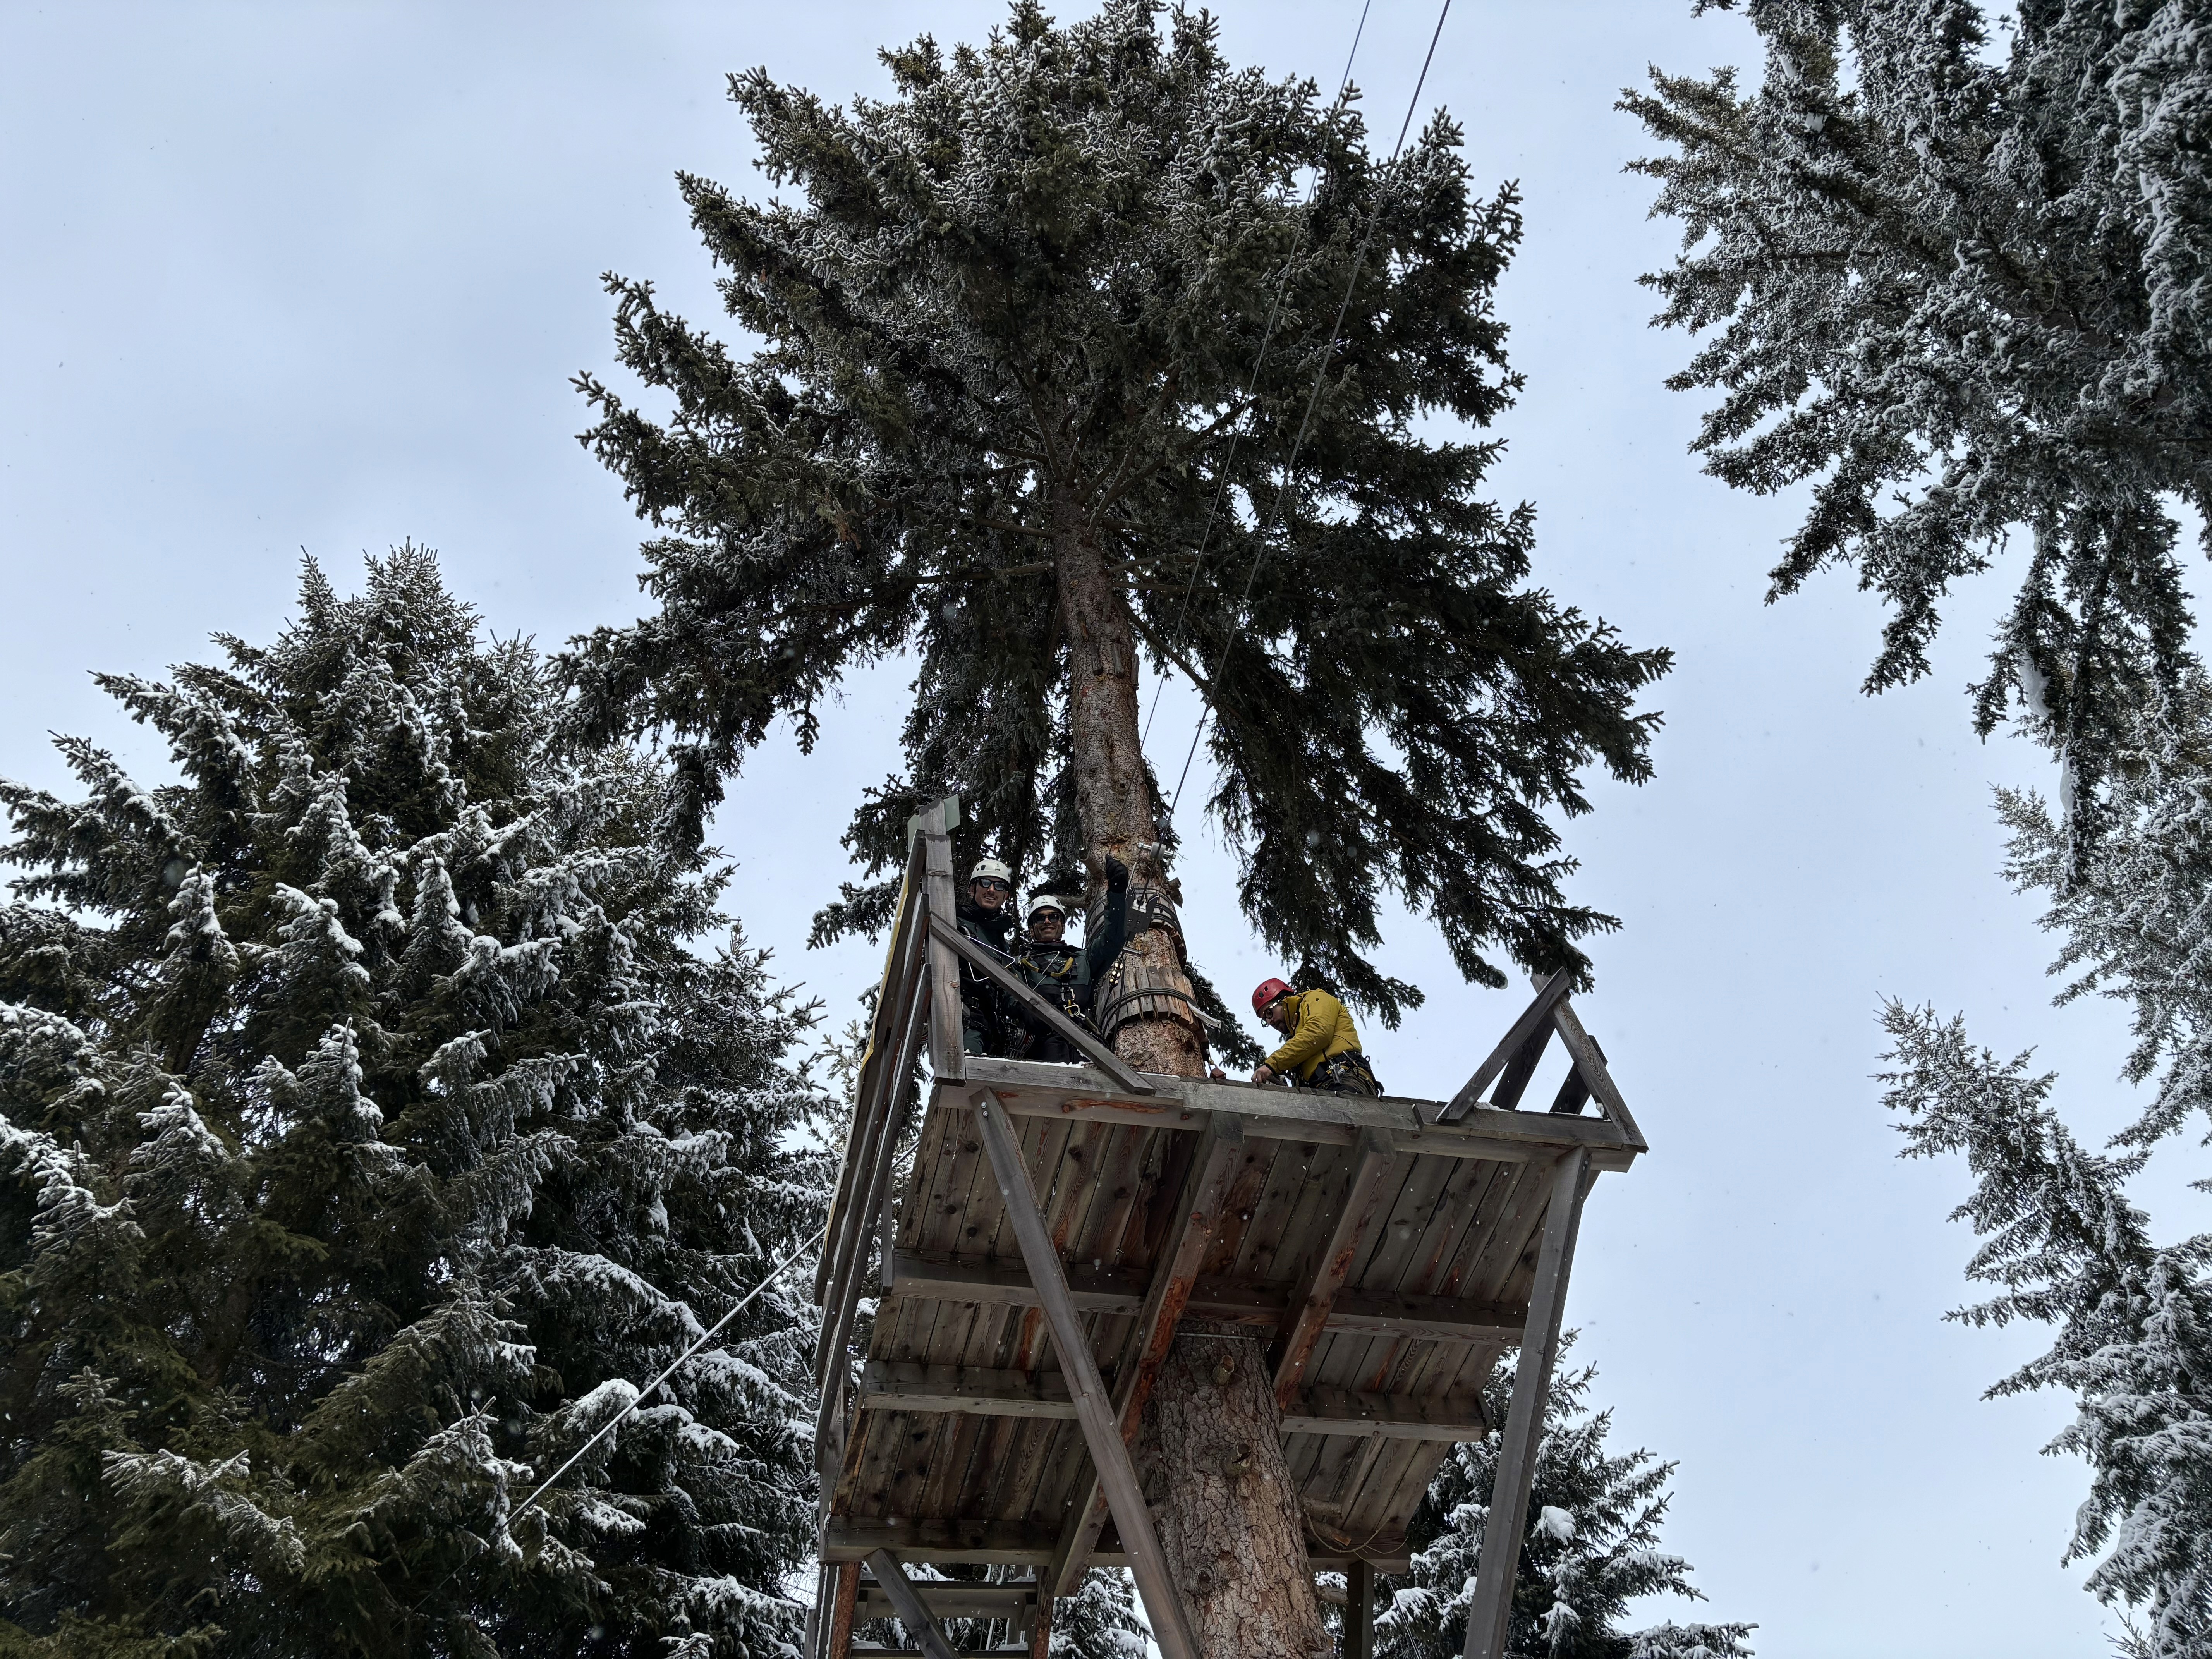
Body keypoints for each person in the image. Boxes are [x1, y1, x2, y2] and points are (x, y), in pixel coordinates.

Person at [1008, 855, 1129, 1063]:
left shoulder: (1083, 959)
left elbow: (1114, 939)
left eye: (1054, 917)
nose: (1047, 921)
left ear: (1062, 925)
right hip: (1041, 1048)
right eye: (1040, 918)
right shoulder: (1020, 964)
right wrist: (1030, 1015)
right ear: (1031, 929)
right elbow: (1008, 998)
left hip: (1086, 1045)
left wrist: (1117, 895)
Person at [1248, 976, 1382, 1096]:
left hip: (1344, 1078)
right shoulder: (1297, 1034)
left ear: (1283, 1000)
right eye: (1264, 1019)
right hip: (1321, 1088)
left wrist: (1272, 1065)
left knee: (1343, 1116)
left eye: (1269, 1013)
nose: (1269, 1022)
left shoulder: (1315, 998)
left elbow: (1318, 1034)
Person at [957, 856, 1018, 1056]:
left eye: (999, 886)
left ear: (1006, 896)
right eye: (985, 882)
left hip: (992, 1024)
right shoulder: (952, 919)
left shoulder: (1001, 942)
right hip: (962, 1013)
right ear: (972, 889)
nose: (991, 889)